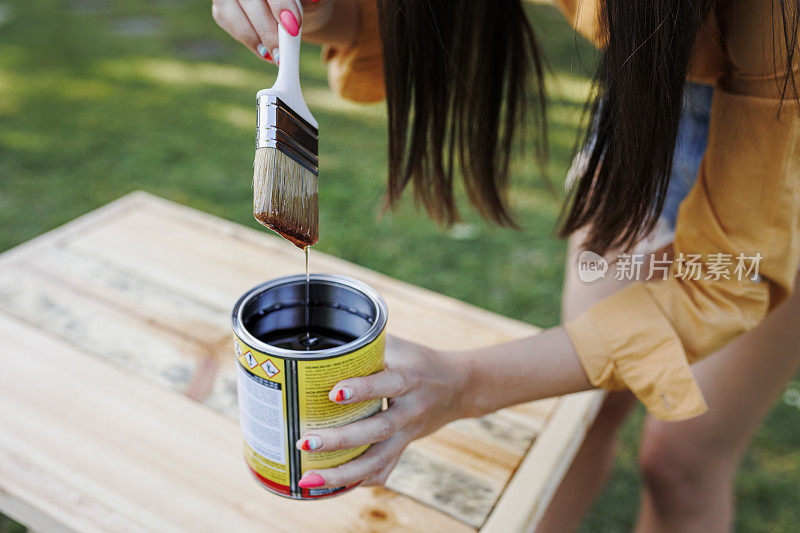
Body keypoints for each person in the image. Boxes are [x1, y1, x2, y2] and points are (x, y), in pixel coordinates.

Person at [212, 0, 800, 530]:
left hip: (784, 111)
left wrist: (466, 384)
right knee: (578, 416)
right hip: (650, 86)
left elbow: (729, 279)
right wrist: (310, 12)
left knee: (680, 465)